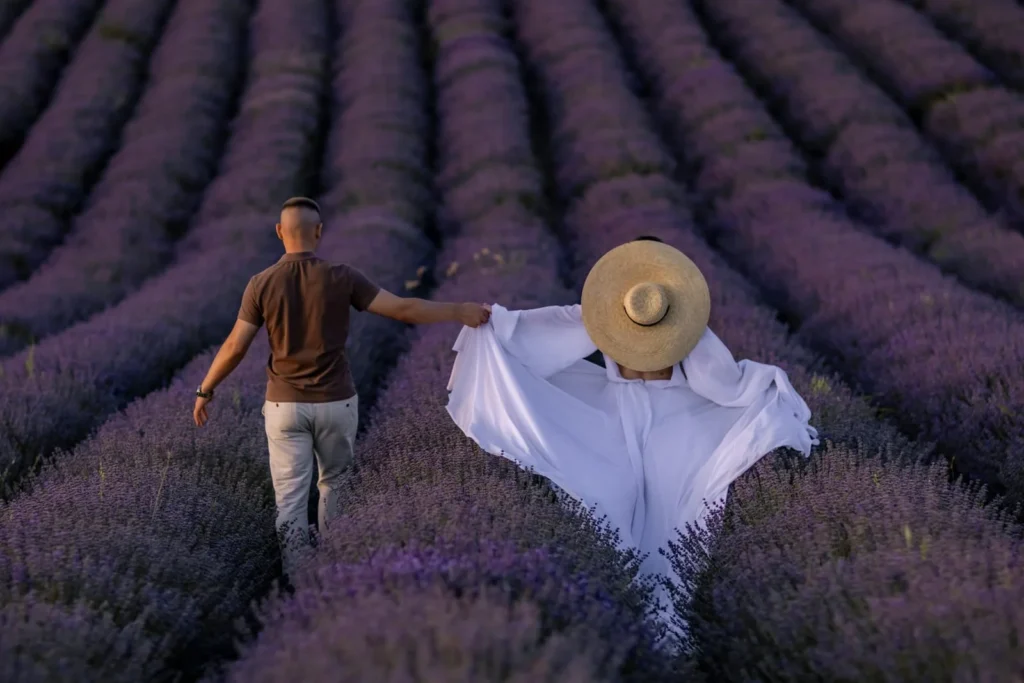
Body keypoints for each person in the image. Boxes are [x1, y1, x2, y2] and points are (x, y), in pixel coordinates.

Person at [445, 236, 818, 627]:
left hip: (613, 414)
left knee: (609, 504)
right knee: (674, 514)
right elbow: (720, 384)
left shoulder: (602, 313)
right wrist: (764, 383)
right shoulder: (684, 320)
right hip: (674, 416)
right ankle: (667, 612)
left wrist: (495, 321)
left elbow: (535, 332)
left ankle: (619, 607)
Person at [193, 196, 491, 575]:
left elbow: (235, 346)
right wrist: (458, 310)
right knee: (335, 485)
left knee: (290, 502)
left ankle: (299, 584)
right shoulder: (342, 276)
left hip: (284, 407)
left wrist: (205, 389)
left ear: (279, 232)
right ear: (318, 232)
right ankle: (334, 571)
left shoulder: (261, 284)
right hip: (336, 402)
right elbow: (403, 309)